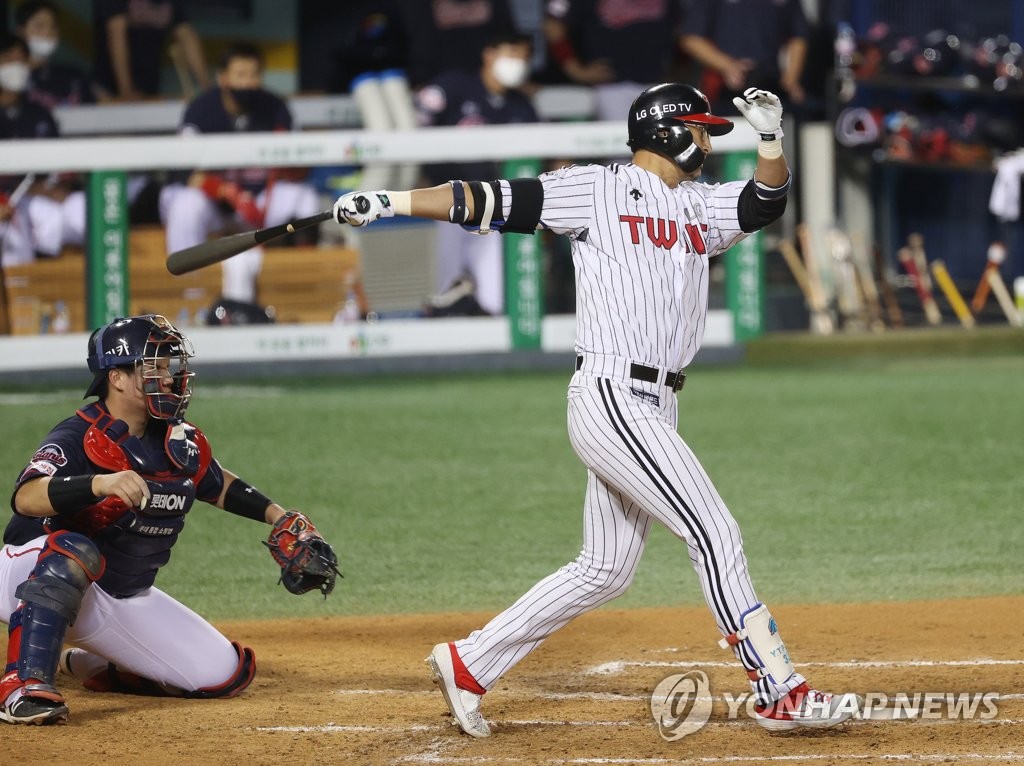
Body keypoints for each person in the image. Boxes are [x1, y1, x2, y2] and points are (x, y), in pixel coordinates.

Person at [333, 82, 862, 736]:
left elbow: (764, 200)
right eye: (697, 127)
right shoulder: (597, 188)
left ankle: (470, 662)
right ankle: (779, 688)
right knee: (714, 532)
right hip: (613, 396)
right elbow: (488, 201)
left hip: (657, 404)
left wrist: (771, 139)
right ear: (665, 130)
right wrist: (390, 201)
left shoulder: (701, 206)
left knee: (605, 569)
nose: (705, 139)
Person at [0, 314, 339, 725]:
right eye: (153, 368)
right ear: (118, 378)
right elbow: (26, 496)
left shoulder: (178, 440)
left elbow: (216, 483)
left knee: (222, 674)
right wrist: (99, 485)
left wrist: (278, 514)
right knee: (73, 548)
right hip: (27, 574)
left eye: (168, 367)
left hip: (116, 595)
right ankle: (23, 684)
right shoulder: (78, 434)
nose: (168, 378)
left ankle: (88, 663)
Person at [160, 43, 320, 304]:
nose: (247, 83)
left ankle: (301, 283)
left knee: (306, 200)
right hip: (214, 204)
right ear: (223, 78)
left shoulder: (275, 107)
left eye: (254, 74)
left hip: (258, 201)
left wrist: (285, 157)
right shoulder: (201, 109)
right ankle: (190, 291)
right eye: (240, 75)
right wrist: (226, 192)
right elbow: (181, 173)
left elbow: (301, 169)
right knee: (184, 204)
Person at [416, 32, 539, 316]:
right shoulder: (454, 87)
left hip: (489, 208)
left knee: (495, 301)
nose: (518, 62)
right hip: (442, 202)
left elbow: (544, 159)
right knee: (442, 290)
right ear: (489, 53)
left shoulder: (522, 107)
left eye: (523, 57)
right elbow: (414, 124)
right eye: (512, 53)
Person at [0, 32, 85, 270]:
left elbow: (60, 165)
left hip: (47, 194)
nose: (16, 66)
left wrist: (63, 186)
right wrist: (33, 189)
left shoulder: (39, 113)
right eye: (9, 59)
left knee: (84, 209)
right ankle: (31, 291)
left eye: (21, 60)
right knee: (37, 220)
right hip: (11, 200)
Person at [542, 0, 683, 120]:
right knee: (620, 146)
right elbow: (553, 24)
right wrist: (575, 69)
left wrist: (678, 68)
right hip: (610, 84)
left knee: (662, 147)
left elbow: (683, 28)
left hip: (658, 82)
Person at [680, 0, 809, 114]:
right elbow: (691, 38)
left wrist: (791, 79)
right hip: (725, 88)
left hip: (771, 84)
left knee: (775, 135)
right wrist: (728, 66)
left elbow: (798, 35)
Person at [92, 0, 209, 100]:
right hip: (107, 92)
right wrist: (126, 91)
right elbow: (116, 34)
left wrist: (207, 89)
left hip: (148, 91)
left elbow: (186, 35)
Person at [399, 0, 519, 88]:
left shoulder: (496, 4)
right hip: (434, 87)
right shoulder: (414, 5)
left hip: (488, 87)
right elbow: (413, 48)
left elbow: (509, 40)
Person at [14, 0, 98, 109]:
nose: (47, 32)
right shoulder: (9, 78)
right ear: (21, 32)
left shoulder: (74, 75)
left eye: (53, 27)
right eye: (39, 26)